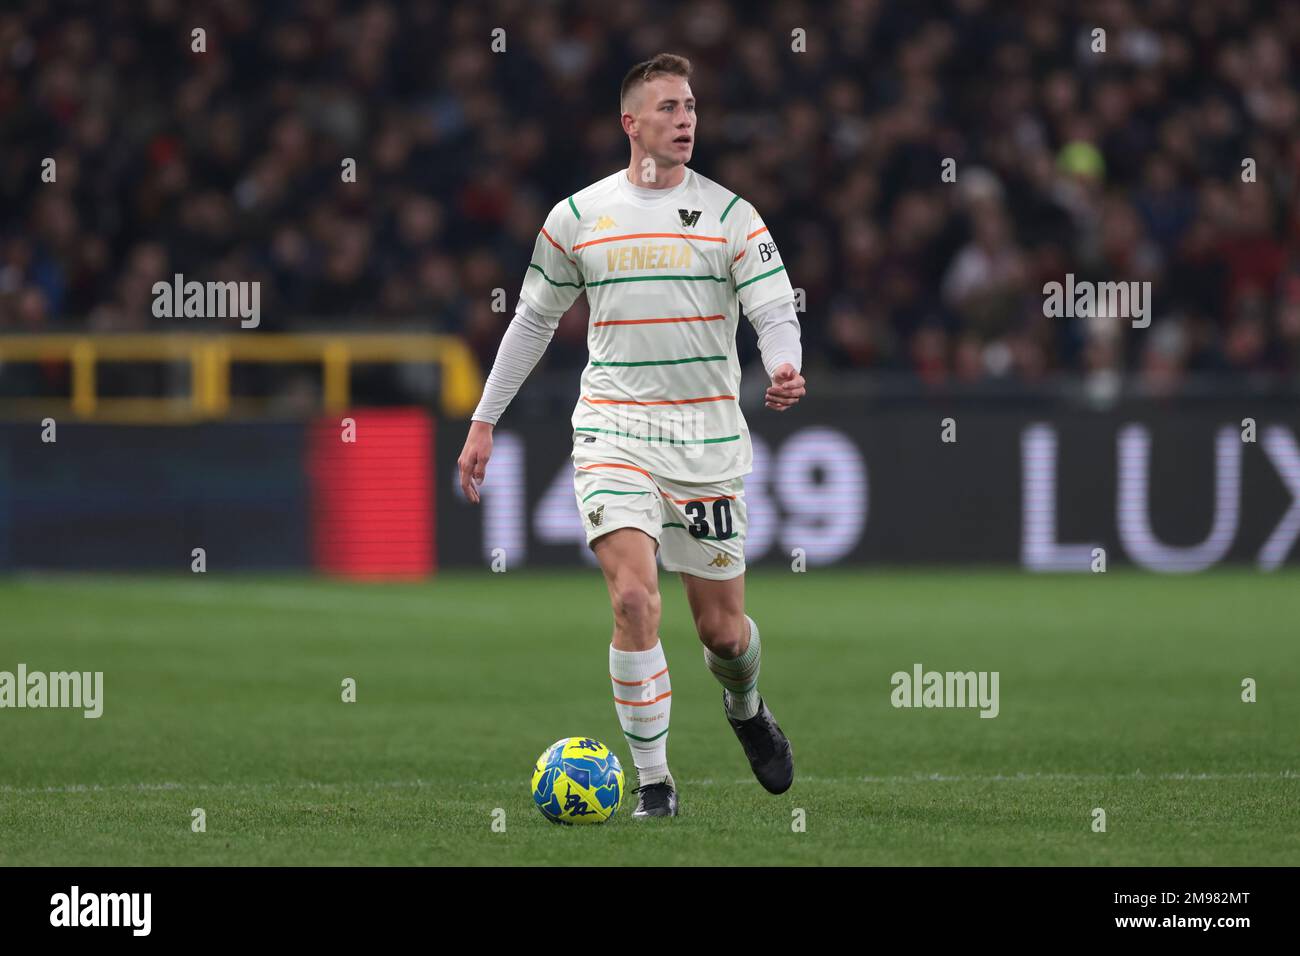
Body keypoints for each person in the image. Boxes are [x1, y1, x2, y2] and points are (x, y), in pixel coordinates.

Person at [458, 53, 806, 818]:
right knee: (634, 603)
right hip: (614, 430)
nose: (686, 120)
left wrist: (783, 365)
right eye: (670, 108)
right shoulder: (577, 217)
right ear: (631, 123)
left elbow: (774, 308)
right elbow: (533, 322)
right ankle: (656, 783)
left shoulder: (731, 215)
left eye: (691, 107)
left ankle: (746, 708)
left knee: (722, 634)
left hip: (706, 442)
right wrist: (485, 419)